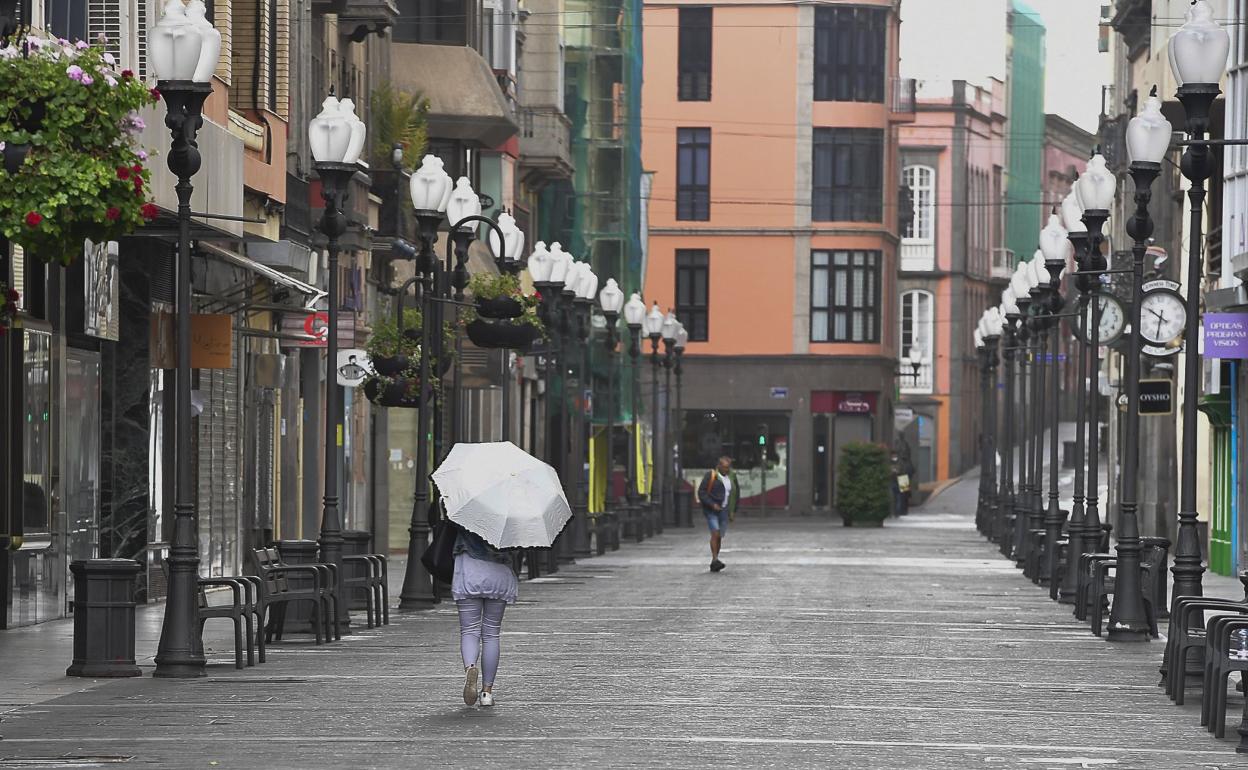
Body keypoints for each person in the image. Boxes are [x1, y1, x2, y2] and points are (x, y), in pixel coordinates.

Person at [452, 524, 518, 707]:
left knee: (469, 630)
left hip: (469, 571)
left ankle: (470, 668)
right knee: (491, 634)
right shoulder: (509, 516)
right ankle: (486, 693)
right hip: (499, 574)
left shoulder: (464, 512)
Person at [696, 456, 733, 572]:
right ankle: (715, 558)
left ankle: (715, 561)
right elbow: (701, 492)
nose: (726, 469)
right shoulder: (711, 475)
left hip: (724, 510)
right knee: (715, 533)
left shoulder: (731, 477)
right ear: (719, 466)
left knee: (719, 536)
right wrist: (712, 504)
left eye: (728, 467)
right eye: (725, 467)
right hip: (712, 510)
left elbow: (734, 494)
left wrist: (732, 510)